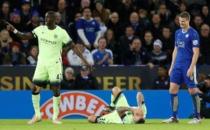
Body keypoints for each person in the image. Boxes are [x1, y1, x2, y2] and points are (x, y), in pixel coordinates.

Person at [5, 11, 89, 124]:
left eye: (49, 18)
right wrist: (13, 30)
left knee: (55, 89)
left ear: (54, 20)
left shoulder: (61, 32)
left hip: (55, 64)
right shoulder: (40, 29)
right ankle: (37, 115)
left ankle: (55, 117)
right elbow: (24, 36)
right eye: (45, 18)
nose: (46, 20)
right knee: (35, 88)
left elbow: (73, 47)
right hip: (41, 64)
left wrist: (85, 61)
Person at [162, 12, 201, 124]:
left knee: (192, 90)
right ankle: (174, 117)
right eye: (180, 21)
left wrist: (191, 67)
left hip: (188, 66)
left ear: (188, 20)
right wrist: (172, 66)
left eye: (183, 21)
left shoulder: (193, 33)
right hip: (177, 66)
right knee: (172, 89)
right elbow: (176, 50)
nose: (181, 23)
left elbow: (196, 53)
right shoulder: (177, 33)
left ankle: (197, 117)